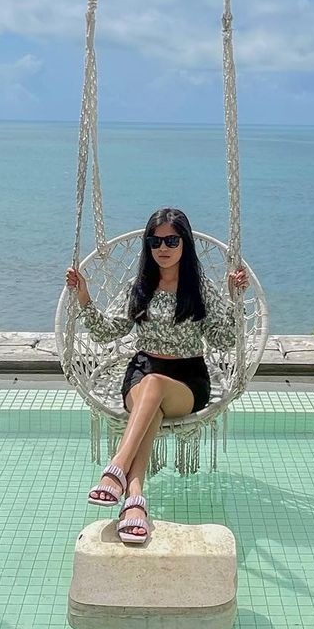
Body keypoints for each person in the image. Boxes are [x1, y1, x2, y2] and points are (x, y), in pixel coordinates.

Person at [65, 207, 249, 545]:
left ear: (184, 243)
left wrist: (234, 298)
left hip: (187, 379)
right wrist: (84, 296)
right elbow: (108, 331)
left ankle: (116, 470)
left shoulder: (200, 289)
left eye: (171, 240)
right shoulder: (140, 287)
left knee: (154, 389)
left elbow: (224, 340)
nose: (162, 247)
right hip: (142, 372)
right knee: (149, 397)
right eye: (155, 241)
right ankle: (133, 503)